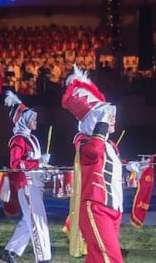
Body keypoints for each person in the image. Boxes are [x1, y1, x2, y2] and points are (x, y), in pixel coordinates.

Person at [61, 65, 123, 262]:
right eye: (106, 115)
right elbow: (92, 153)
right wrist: (101, 126)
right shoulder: (84, 141)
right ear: (95, 120)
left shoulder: (110, 145)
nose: (112, 118)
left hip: (114, 209)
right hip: (96, 208)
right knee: (111, 259)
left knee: (97, 259)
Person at [0, 91, 52, 263]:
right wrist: (38, 163)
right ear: (23, 120)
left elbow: (33, 162)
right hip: (27, 185)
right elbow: (15, 164)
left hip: (35, 184)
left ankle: (9, 251)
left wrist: (44, 165)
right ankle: (43, 258)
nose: (36, 121)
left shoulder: (32, 139)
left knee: (30, 219)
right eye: (32, 118)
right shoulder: (18, 139)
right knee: (37, 221)